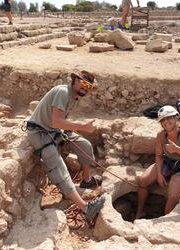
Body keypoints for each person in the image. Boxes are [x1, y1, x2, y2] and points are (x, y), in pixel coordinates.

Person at [26, 70, 105, 221]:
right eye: (83, 83)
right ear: (74, 80)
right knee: (58, 167)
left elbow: (58, 123)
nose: (85, 88)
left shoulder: (74, 96)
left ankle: (87, 180)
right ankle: (86, 208)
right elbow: (57, 121)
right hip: (40, 132)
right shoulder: (63, 92)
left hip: (54, 130)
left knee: (85, 146)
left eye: (88, 86)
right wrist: (83, 126)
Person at [136, 106, 180, 219]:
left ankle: (164, 223)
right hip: (169, 161)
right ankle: (140, 211)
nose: (166, 122)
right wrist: (159, 174)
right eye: (163, 120)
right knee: (143, 181)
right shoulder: (161, 136)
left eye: (168, 118)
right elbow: (159, 155)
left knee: (171, 197)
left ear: (176, 118)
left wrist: (177, 149)